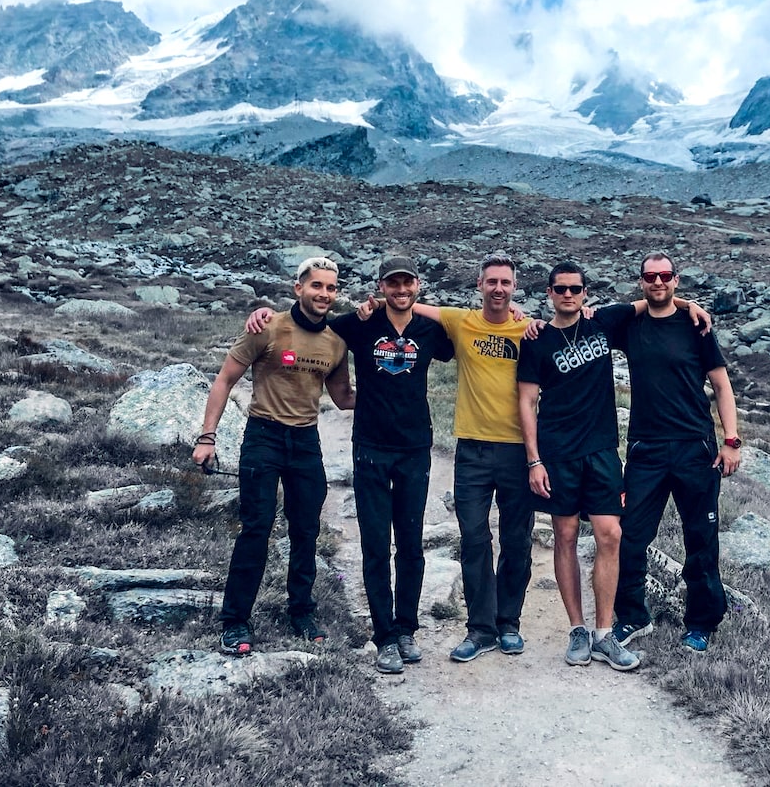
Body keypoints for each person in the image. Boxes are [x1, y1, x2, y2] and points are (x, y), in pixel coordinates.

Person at [248, 256, 456, 674]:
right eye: (392, 284)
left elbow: (468, 333)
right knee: (376, 544)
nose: (400, 290)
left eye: (407, 283)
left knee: (411, 544)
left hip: (415, 446)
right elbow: (307, 320)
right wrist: (262, 313)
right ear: (380, 286)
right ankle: (385, 637)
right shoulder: (358, 324)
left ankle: (407, 628)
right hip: (370, 447)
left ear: (417, 285)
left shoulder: (432, 331)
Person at [366, 252, 534, 662]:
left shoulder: (530, 330)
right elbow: (409, 304)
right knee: (474, 538)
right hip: (472, 449)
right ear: (479, 285)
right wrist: (373, 303)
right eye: (491, 281)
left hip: (517, 450)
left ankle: (508, 622)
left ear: (514, 288)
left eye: (505, 283)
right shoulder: (462, 322)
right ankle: (480, 629)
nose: (498, 289)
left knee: (517, 540)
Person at [193, 256, 355, 656]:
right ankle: (235, 621)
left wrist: (392, 389)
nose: (324, 294)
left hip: (305, 441)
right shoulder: (267, 326)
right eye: (316, 286)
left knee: (305, 530)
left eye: (331, 288)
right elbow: (225, 379)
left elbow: (343, 397)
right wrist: (207, 436)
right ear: (298, 288)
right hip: (263, 436)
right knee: (256, 528)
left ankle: (300, 611)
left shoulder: (336, 340)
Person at [609, 251, 742, 654]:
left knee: (701, 537)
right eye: (650, 277)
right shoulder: (630, 326)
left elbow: (721, 386)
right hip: (646, 450)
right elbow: (594, 317)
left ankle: (701, 623)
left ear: (676, 279)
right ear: (641, 281)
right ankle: (632, 616)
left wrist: (731, 440)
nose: (658, 282)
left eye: (665, 276)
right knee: (629, 536)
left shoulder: (696, 328)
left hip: (695, 448)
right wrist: (681, 302)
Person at [516, 261, 642, 671]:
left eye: (575, 289)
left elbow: (656, 301)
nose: (568, 295)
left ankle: (605, 633)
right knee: (565, 534)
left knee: (610, 534)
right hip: (558, 453)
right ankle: (577, 628)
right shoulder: (536, 339)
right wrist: (534, 460)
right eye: (560, 289)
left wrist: (693, 305)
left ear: (586, 292)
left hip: (602, 450)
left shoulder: (604, 322)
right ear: (549, 293)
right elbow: (526, 402)